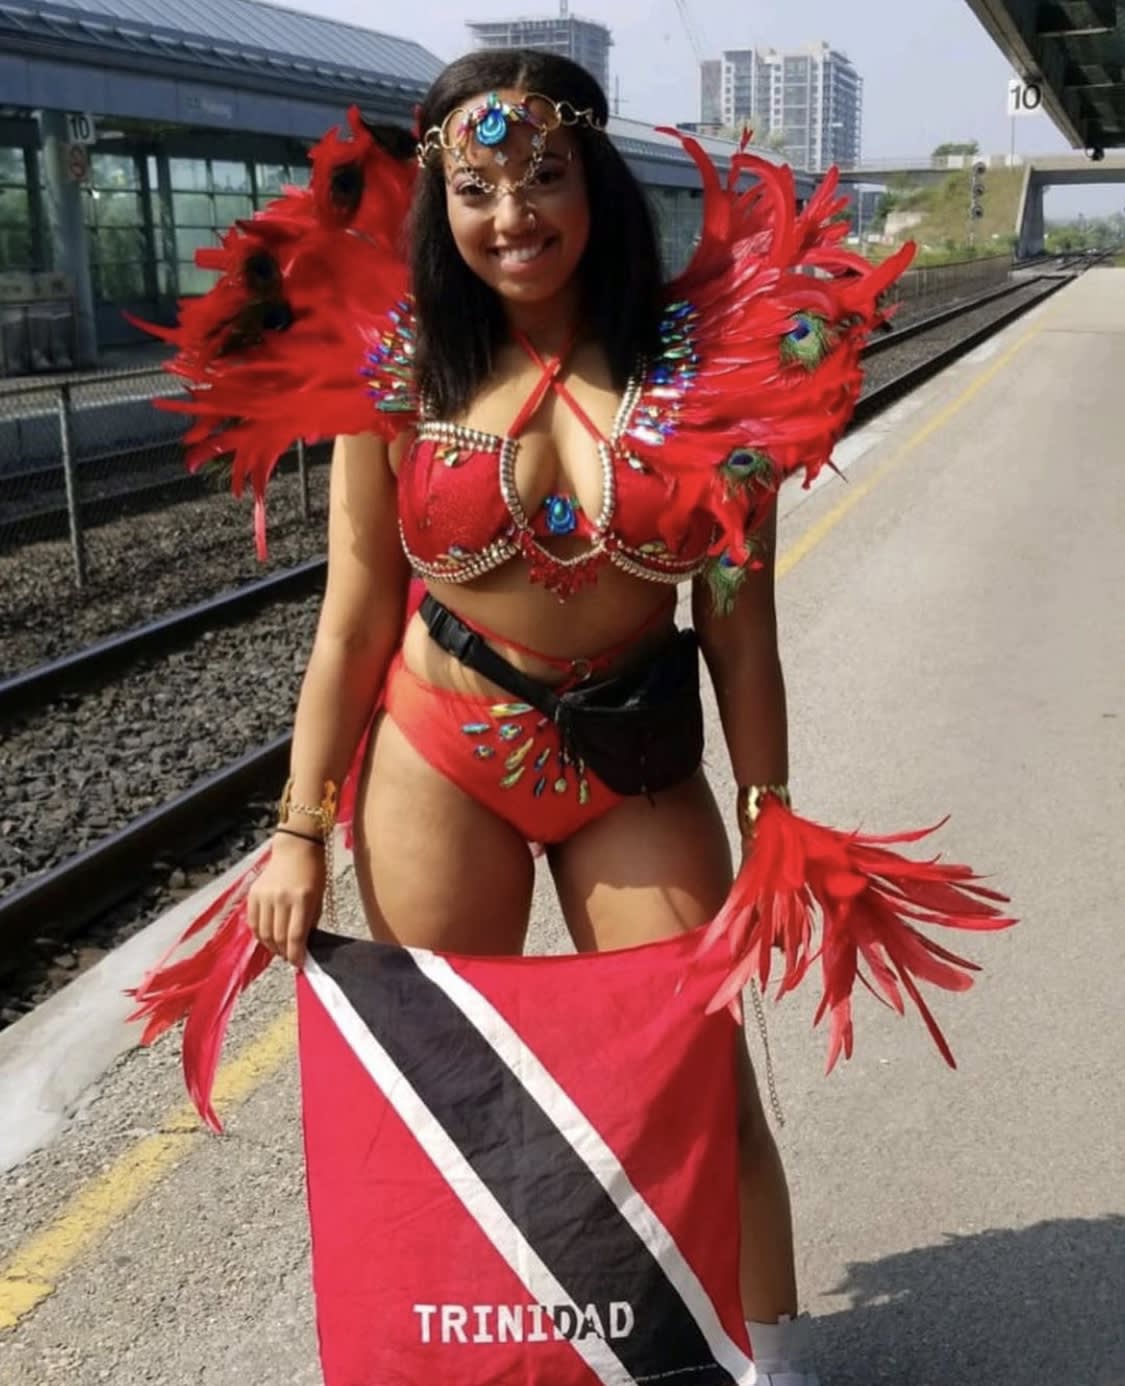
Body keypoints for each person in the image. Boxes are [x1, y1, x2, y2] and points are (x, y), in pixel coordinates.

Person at [130, 47, 1011, 1386]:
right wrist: (299, 824)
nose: (510, 216)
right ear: (440, 203)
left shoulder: (712, 366)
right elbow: (358, 605)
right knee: (453, 1084)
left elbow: (734, 618)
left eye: (540, 177)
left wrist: (770, 814)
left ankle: (762, 1356)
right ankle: (472, 1358)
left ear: (590, 180)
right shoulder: (403, 370)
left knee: (698, 1082)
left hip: (638, 761)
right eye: (476, 187)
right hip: (441, 755)